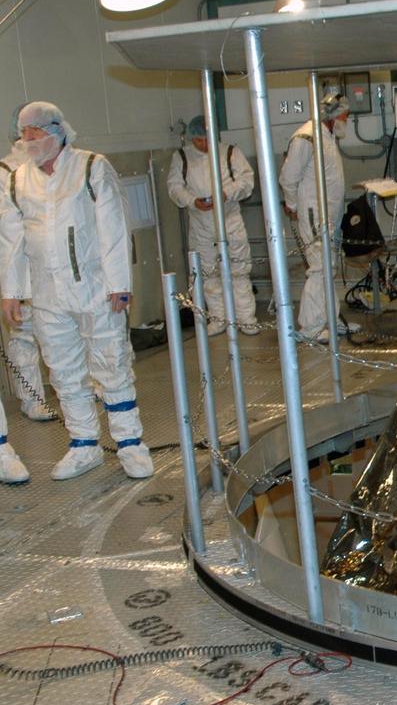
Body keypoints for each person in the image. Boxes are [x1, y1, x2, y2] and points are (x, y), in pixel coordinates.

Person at [0, 102, 154, 480]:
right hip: (46, 295)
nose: (29, 140)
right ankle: (84, 444)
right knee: (64, 372)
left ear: (57, 131)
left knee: (111, 365)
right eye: (24, 134)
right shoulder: (19, 180)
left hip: (94, 289)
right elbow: (12, 241)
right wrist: (11, 292)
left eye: (36, 132)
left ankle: (130, 444)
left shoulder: (90, 167)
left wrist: (119, 284)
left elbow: (114, 226)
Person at [167, 114, 259, 336]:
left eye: (206, 139)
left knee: (239, 271)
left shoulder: (230, 152)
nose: (203, 144)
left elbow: (247, 181)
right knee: (207, 274)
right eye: (198, 140)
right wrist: (193, 201)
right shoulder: (182, 157)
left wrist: (226, 193)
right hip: (201, 226)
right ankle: (218, 318)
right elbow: (174, 187)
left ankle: (246, 318)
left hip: (230, 222)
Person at [279, 92, 355, 340]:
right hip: (314, 214)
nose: (346, 120)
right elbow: (288, 177)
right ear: (334, 116)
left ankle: (330, 320)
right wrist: (292, 204)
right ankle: (311, 327)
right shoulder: (306, 137)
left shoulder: (326, 136)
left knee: (328, 268)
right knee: (320, 268)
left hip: (329, 214)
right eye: (345, 116)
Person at [0, 113, 55, 423]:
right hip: (19, 269)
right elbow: (8, 233)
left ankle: (74, 391)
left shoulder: (51, 167)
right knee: (23, 336)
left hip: (51, 266)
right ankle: (32, 399)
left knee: (57, 333)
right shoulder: (5, 172)